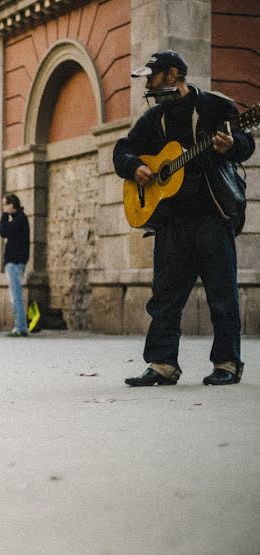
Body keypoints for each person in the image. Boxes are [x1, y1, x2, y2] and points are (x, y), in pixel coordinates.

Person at [113, 50, 255, 386]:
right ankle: (162, 364)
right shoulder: (154, 118)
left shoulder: (214, 107)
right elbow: (122, 150)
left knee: (221, 294)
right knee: (164, 296)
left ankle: (227, 363)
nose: (147, 82)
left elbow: (245, 143)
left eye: (152, 75)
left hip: (212, 215)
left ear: (173, 73)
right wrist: (136, 167)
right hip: (171, 221)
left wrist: (230, 147)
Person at [0, 193, 30, 337]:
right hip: (16, 262)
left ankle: (21, 327)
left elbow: (3, 231)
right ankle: (20, 326)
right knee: (15, 294)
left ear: (11, 205)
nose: (3, 208)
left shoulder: (20, 220)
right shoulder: (19, 219)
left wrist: (4, 216)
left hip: (15, 263)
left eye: (4, 205)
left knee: (15, 295)